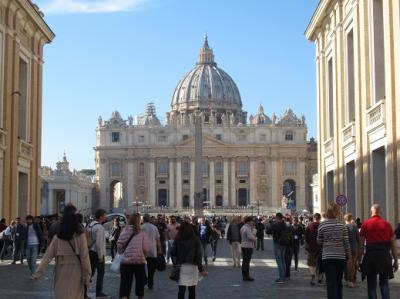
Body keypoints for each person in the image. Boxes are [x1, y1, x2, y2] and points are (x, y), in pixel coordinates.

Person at [32, 204, 91, 299]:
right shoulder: (81, 236)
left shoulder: (57, 238)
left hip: (61, 271)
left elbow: (47, 257)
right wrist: (87, 277)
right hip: (76, 272)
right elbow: (85, 258)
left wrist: (38, 273)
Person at [359, 204, 398, 299]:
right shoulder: (387, 224)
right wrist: (395, 260)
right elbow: (393, 244)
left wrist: (359, 259)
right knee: (384, 284)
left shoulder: (365, 224)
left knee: (371, 285)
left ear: (371, 212)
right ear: (380, 212)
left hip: (371, 256)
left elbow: (361, 244)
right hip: (384, 256)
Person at [317, 203, 351, 299]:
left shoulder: (322, 225)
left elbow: (319, 241)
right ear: (337, 212)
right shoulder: (342, 225)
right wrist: (350, 258)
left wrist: (327, 242)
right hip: (340, 257)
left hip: (327, 257)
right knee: (339, 282)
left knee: (330, 283)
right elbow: (346, 243)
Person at [171, 222, 208, 299]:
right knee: (192, 290)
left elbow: (173, 253)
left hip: (181, 266)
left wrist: (175, 264)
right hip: (192, 267)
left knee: (181, 290)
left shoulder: (178, 239)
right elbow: (198, 256)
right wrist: (201, 269)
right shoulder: (196, 239)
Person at [117, 213, 149, 299]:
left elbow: (119, 245)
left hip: (126, 262)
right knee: (140, 283)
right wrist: (143, 256)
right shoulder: (142, 233)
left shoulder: (124, 230)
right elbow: (146, 249)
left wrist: (121, 252)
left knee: (125, 284)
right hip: (139, 261)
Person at [86, 209, 109, 299]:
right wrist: (100, 256)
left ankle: (83, 292)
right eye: (105, 215)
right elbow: (99, 243)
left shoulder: (90, 225)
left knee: (89, 273)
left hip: (90, 251)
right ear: (100, 217)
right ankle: (99, 292)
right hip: (97, 253)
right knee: (100, 273)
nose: (106, 217)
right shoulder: (99, 227)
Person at [141, 213, 161, 290]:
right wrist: (160, 250)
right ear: (149, 219)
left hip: (143, 250)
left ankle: (144, 279)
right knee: (151, 269)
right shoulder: (154, 227)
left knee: (141, 267)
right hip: (152, 250)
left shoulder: (141, 227)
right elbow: (158, 240)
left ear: (143, 219)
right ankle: (150, 283)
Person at [269, 213, 288, 283]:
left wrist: (271, 223)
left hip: (277, 243)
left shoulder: (275, 225)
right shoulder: (284, 224)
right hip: (284, 244)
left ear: (277, 218)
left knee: (279, 261)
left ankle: (281, 278)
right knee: (282, 260)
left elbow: (268, 231)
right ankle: (283, 276)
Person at [305, 213, 322, 286]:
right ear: (320, 218)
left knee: (311, 263)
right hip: (321, 247)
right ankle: (320, 278)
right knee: (320, 263)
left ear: (314, 218)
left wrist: (307, 245)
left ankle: (312, 275)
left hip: (311, 247)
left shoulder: (309, 226)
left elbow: (306, 238)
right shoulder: (322, 226)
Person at [344, 213, 359, 288]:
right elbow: (358, 238)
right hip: (354, 248)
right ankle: (352, 280)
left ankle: (347, 279)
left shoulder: (344, 227)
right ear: (351, 218)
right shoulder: (355, 227)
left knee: (346, 264)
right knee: (353, 264)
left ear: (345, 219)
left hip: (346, 249)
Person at [240, 216, 256, 281]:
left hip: (243, 245)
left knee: (244, 262)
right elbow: (250, 237)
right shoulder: (248, 228)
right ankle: (246, 276)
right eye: (252, 221)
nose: (253, 222)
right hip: (248, 246)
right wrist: (255, 239)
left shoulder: (243, 227)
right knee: (247, 262)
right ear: (249, 221)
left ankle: (244, 275)